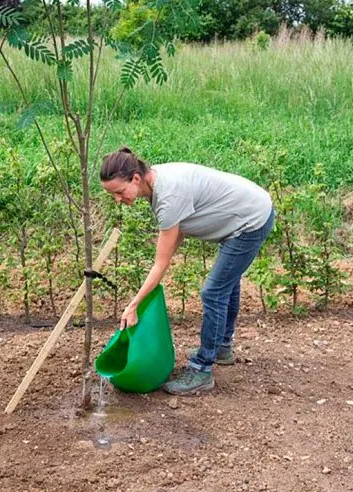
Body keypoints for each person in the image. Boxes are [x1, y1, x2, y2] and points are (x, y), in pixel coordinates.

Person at [100, 148, 274, 396]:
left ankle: (202, 369)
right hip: (244, 212)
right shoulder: (157, 184)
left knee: (213, 292)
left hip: (250, 220)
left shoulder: (168, 195)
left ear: (135, 178)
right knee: (226, 284)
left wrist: (134, 304)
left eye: (119, 192)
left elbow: (161, 263)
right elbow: (175, 237)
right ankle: (222, 347)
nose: (118, 199)